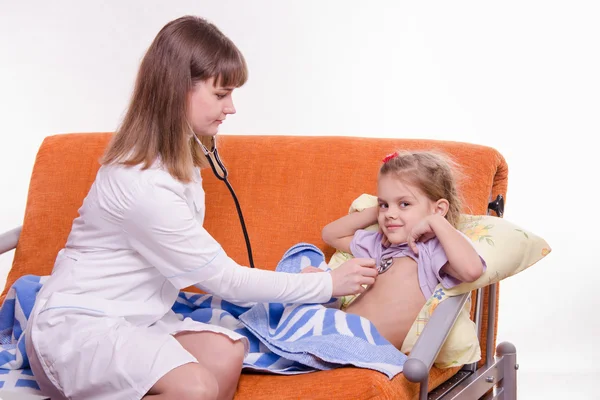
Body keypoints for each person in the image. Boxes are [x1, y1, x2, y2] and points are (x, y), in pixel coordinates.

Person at [24, 16, 378, 400]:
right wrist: (324, 284)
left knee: (226, 354)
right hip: (78, 330)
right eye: (221, 94)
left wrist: (309, 286)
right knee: (195, 388)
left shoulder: (179, 161)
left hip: (136, 319)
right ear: (176, 91)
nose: (231, 108)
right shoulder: (142, 183)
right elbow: (225, 280)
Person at [319, 150, 486, 349]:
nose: (390, 214)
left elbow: (472, 270)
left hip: (366, 345)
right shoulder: (382, 245)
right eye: (384, 204)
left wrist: (437, 223)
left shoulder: (433, 250)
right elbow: (330, 234)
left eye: (404, 203)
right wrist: (378, 210)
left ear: (438, 209)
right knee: (304, 271)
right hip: (337, 331)